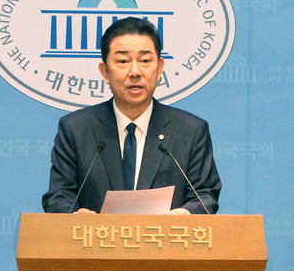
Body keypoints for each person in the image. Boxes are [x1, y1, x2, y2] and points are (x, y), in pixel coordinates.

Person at [42, 17, 221, 214]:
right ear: (105, 71)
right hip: (96, 235)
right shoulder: (76, 129)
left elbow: (205, 195)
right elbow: (59, 196)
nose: (135, 72)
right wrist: (77, 218)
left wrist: (183, 216)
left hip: (165, 234)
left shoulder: (190, 130)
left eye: (145, 61)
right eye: (123, 61)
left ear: (159, 68)